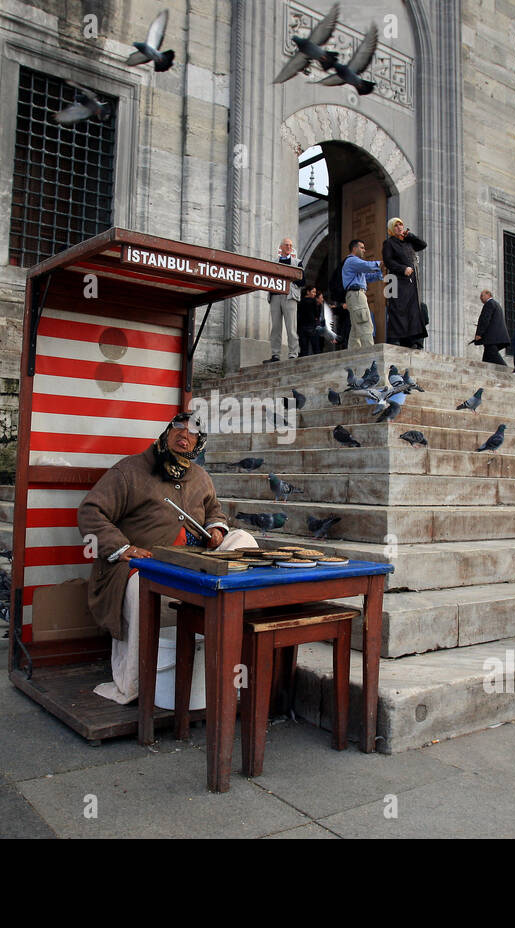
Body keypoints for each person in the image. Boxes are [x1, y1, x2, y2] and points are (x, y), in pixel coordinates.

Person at [77, 413, 256, 704]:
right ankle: (135, 683)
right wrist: (123, 548)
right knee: (140, 586)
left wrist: (216, 529)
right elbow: (90, 512)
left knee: (244, 540)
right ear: (167, 431)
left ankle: (227, 658)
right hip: (142, 564)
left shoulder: (200, 477)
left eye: (193, 433)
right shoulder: (129, 471)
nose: (184, 435)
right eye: (178, 428)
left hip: (193, 560)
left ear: (199, 443)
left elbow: (215, 510)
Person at [382, 218, 428, 349]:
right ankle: (395, 339)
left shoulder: (408, 242)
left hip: (411, 283)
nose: (399, 227)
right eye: (395, 226)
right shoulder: (389, 243)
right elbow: (388, 261)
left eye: (400, 224)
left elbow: (423, 244)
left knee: (412, 310)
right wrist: (403, 269)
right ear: (391, 229)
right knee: (398, 308)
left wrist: (410, 236)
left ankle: (412, 340)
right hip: (396, 280)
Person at [341, 239, 384, 350]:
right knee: (365, 325)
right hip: (356, 295)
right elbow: (368, 266)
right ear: (354, 249)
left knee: (356, 328)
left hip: (354, 296)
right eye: (362, 247)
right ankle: (370, 356)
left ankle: (352, 357)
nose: (364, 250)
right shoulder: (352, 260)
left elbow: (368, 277)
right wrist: (379, 264)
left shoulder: (355, 265)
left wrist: (380, 272)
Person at [266, 237, 302, 362]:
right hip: (275, 295)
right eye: (286, 245)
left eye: (290, 245)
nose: (289, 247)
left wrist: (290, 279)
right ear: (281, 247)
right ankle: (275, 354)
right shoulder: (273, 262)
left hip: (290, 295)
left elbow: (303, 281)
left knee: (291, 326)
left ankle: (293, 352)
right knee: (275, 327)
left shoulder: (297, 262)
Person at [473, 289, 511, 365]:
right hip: (496, 337)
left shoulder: (489, 304)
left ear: (488, 294)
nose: (481, 298)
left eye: (482, 295)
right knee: (487, 357)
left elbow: (485, 319)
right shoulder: (496, 304)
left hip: (492, 337)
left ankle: (506, 370)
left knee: (492, 353)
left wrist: (479, 334)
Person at [297, 285, 324, 357]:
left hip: (301, 327)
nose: (315, 294)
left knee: (303, 349)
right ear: (308, 292)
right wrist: (319, 306)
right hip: (311, 327)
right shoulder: (313, 301)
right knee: (316, 348)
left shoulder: (300, 301)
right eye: (313, 292)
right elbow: (317, 315)